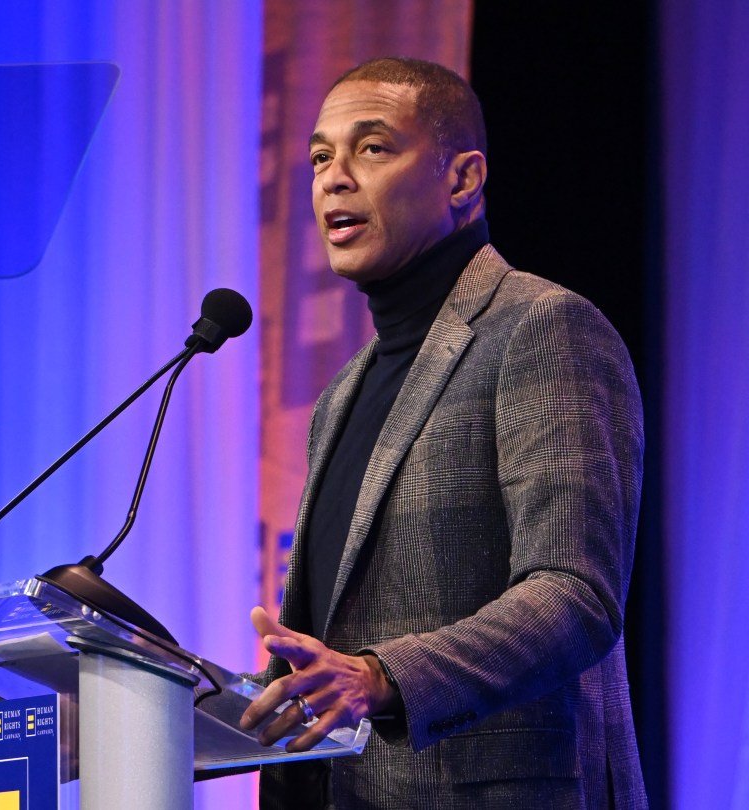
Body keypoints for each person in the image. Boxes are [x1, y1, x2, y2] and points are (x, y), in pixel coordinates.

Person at [237, 57, 647, 808]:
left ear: (462, 179)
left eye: (372, 148)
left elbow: (574, 594)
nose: (333, 178)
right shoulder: (342, 395)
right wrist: (149, 712)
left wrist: (382, 677)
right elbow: (329, 660)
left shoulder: (542, 328)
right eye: (320, 156)